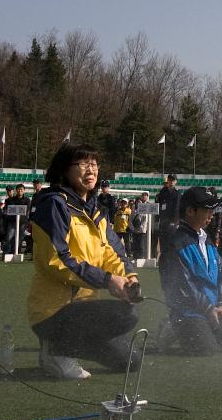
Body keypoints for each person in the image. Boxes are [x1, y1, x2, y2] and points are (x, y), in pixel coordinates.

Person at [28, 142, 141, 379]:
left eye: (94, 164)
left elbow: (113, 253)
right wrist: (108, 280)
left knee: (131, 360)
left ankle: (66, 345)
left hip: (84, 309)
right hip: (54, 311)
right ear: (64, 169)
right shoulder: (53, 204)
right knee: (126, 315)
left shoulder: (96, 210)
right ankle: (56, 348)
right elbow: (57, 261)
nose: (91, 170)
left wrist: (129, 279)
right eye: (82, 164)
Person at [160, 187, 222, 355]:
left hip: (214, 308)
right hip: (187, 311)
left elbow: (221, 275)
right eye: (207, 210)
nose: (212, 214)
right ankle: (172, 326)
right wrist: (208, 308)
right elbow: (182, 285)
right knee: (206, 349)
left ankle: (204, 328)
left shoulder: (206, 240)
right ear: (190, 211)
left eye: (212, 210)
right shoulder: (175, 243)